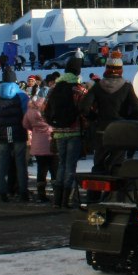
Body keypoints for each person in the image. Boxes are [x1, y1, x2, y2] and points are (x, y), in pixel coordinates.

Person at [79, 54, 138, 175]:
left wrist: (94, 118)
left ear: (106, 68)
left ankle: (94, 192)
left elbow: (83, 107)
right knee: (117, 164)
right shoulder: (127, 87)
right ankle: (115, 193)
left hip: (102, 129)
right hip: (120, 129)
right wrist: (128, 120)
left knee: (99, 164)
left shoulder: (97, 87)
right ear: (121, 70)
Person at [48, 59, 89, 207]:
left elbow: (44, 109)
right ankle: (66, 199)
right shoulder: (79, 90)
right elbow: (86, 111)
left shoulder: (54, 88)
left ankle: (57, 199)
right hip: (74, 131)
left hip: (58, 131)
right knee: (70, 165)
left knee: (61, 164)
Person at [0, 67, 30, 202]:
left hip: (1, 133)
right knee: (20, 162)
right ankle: (23, 191)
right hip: (19, 131)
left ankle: (2, 192)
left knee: (2, 163)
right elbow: (27, 114)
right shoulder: (21, 95)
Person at [23, 91, 56, 202]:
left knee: (41, 170)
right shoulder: (49, 108)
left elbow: (25, 124)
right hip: (50, 141)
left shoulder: (30, 110)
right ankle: (57, 193)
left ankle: (41, 194)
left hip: (37, 143)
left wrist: (35, 129)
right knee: (54, 169)